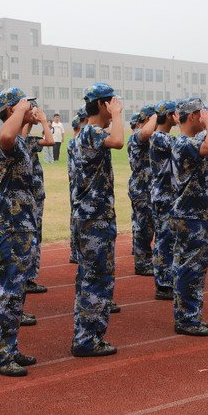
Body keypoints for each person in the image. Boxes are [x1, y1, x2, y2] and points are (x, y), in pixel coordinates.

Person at [0, 87, 40, 376]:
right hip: (9, 223)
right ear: (11, 110)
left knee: (16, 291)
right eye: (25, 104)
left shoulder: (19, 141)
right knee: (7, 290)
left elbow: (16, 135)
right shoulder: (5, 140)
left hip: (21, 224)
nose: (31, 107)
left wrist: (25, 117)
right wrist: (20, 111)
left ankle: (10, 348)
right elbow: (6, 136)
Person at [71, 83, 124, 358]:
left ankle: (86, 334)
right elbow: (118, 141)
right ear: (102, 105)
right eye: (112, 101)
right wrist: (117, 115)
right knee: (97, 278)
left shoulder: (87, 133)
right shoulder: (91, 131)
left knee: (90, 277)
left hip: (92, 217)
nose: (117, 104)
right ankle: (87, 339)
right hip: (95, 219)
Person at [170, 98, 208, 336]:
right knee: (189, 268)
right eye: (202, 114)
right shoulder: (182, 143)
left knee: (194, 267)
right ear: (192, 117)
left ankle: (190, 315)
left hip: (196, 213)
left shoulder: (189, 141)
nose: (206, 117)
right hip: (190, 215)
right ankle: (187, 319)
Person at [23, 102, 54, 295]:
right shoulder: (18, 140)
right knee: (26, 237)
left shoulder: (30, 141)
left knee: (36, 236)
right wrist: (38, 120)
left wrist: (40, 121)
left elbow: (50, 141)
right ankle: (24, 277)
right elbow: (23, 136)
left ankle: (29, 276)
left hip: (36, 194)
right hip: (25, 196)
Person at [150, 99, 179, 301]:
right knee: (164, 240)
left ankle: (166, 279)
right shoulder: (160, 138)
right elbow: (184, 145)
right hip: (164, 195)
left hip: (166, 194)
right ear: (169, 116)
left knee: (167, 239)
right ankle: (163, 283)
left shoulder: (163, 137)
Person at [128, 105, 158, 276]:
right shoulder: (137, 135)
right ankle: (142, 262)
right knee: (143, 225)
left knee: (148, 224)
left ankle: (146, 258)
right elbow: (146, 133)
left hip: (147, 186)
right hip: (141, 187)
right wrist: (155, 117)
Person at [67, 110, 87, 264]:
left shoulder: (70, 142)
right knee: (78, 218)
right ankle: (77, 251)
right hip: (79, 184)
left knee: (74, 216)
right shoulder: (77, 141)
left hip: (73, 183)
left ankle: (74, 251)